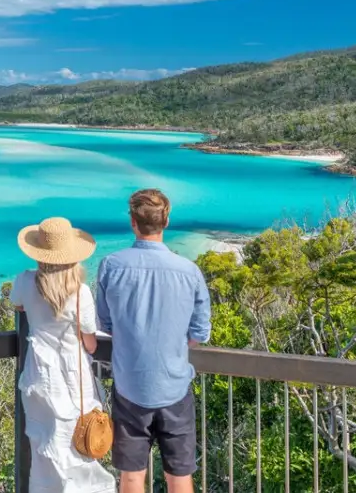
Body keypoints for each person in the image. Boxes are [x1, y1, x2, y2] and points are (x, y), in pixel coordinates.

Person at [95, 189, 212, 493]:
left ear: (133, 221)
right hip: (174, 387)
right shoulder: (189, 271)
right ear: (166, 221)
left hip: (129, 386)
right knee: (179, 477)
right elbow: (199, 333)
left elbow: (105, 323)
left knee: (132, 476)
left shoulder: (111, 265)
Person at [12, 217, 116, 493]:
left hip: (38, 377)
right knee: (77, 447)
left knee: (42, 448)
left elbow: (17, 304)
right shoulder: (80, 292)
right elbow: (91, 344)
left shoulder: (24, 281)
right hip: (73, 378)